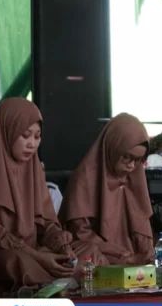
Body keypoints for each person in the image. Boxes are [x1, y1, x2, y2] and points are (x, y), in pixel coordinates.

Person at [0, 98, 79, 291]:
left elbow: (45, 222)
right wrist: (41, 258)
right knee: (16, 263)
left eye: (37, 137)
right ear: (7, 132)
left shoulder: (33, 169)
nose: (32, 144)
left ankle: (58, 277)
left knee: (82, 253)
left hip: (33, 250)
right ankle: (56, 281)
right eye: (25, 135)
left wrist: (62, 246)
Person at [60, 113, 155, 265]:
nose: (131, 165)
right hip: (100, 256)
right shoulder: (85, 178)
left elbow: (141, 225)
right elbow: (80, 232)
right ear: (113, 147)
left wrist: (146, 251)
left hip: (132, 259)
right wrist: (122, 256)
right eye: (126, 157)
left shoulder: (135, 177)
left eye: (138, 160)